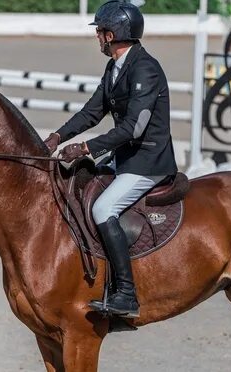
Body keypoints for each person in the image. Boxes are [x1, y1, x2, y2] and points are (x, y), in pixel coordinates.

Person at [43, 0, 178, 318]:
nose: (98, 37)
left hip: (149, 161)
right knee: (77, 181)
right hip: (126, 156)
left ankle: (126, 294)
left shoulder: (145, 68)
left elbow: (134, 127)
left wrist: (87, 148)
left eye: (101, 31)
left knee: (104, 208)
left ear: (113, 34)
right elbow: (92, 111)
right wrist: (59, 136)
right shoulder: (115, 67)